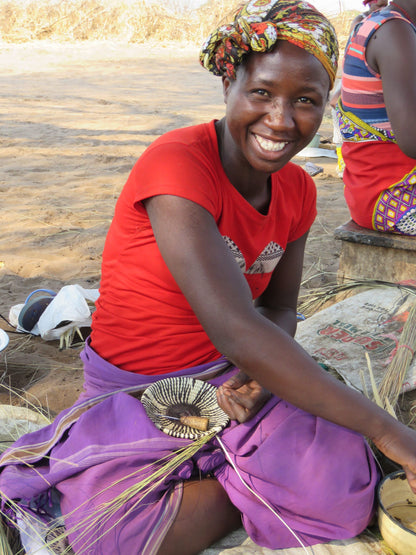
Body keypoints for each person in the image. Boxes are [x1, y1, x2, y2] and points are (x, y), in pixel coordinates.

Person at [2, 1, 416, 554]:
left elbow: (279, 311)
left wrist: (259, 375)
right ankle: (236, 478)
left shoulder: (299, 190)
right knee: (110, 533)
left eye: (307, 101)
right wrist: (388, 431)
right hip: (142, 389)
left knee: (341, 493)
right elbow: (235, 326)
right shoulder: (176, 164)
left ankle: (226, 466)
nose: (282, 120)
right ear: (229, 81)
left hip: (233, 378)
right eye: (262, 92)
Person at [337, 0, 416, 234]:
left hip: (374, 189)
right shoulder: (394, 31)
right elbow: (413, 140)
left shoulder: (393, 26)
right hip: (393, 196)